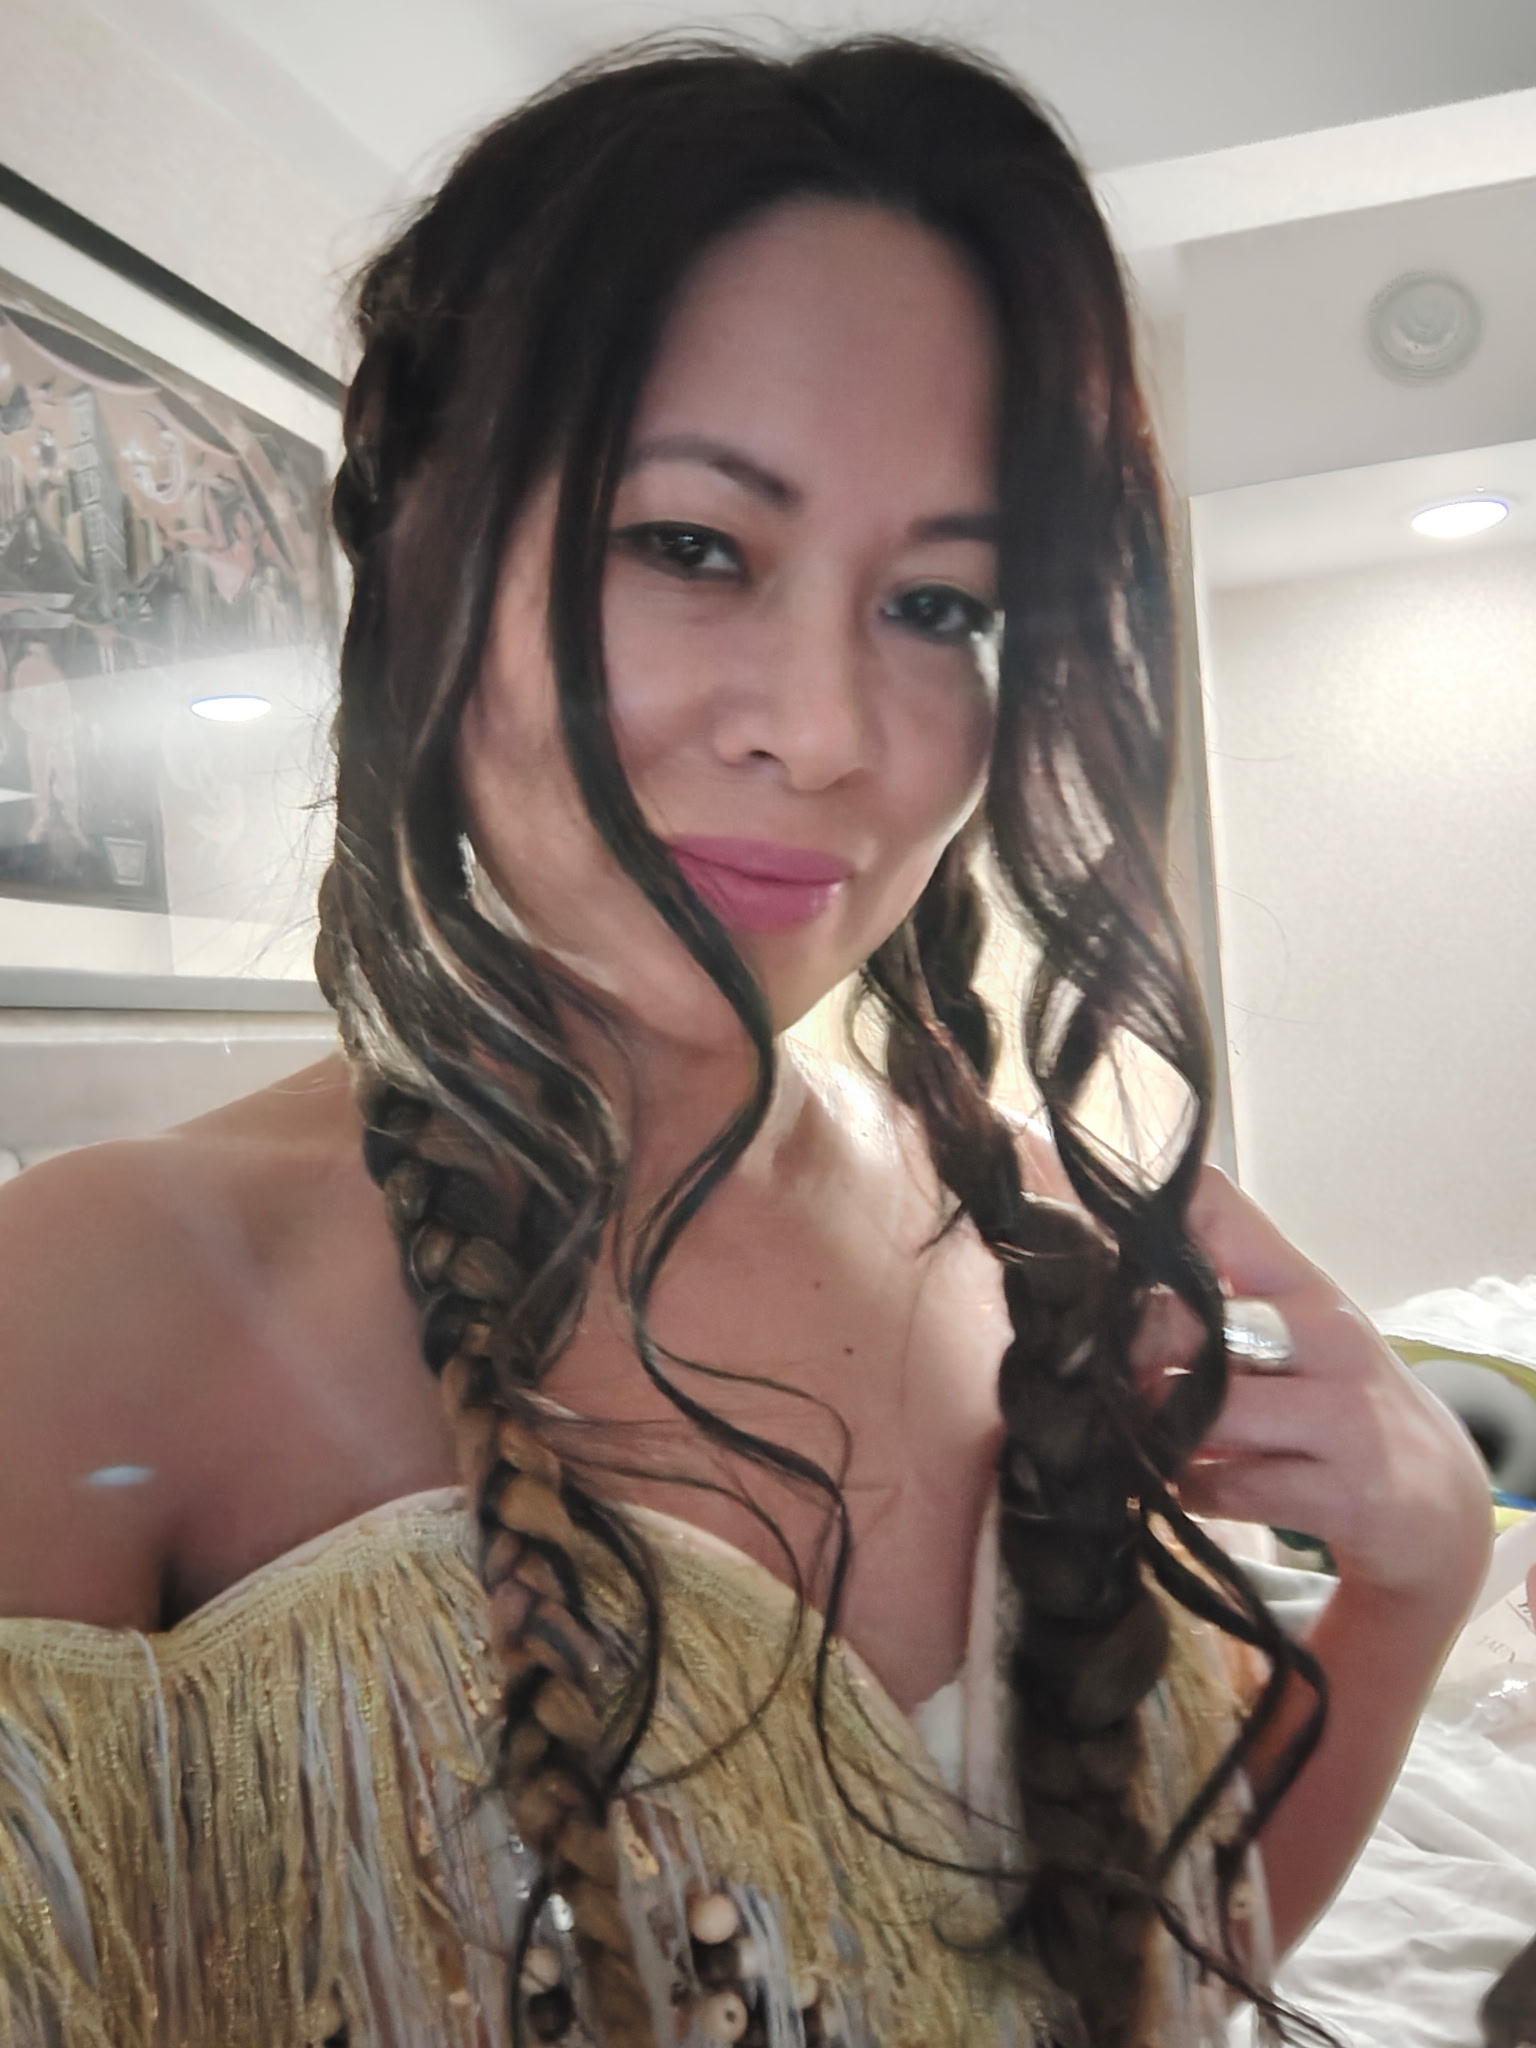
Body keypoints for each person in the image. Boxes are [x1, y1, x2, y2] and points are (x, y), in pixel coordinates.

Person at [0, 37, 1491, 2048]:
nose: (828, 732)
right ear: (421, 545)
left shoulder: (1030, 1248)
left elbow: (1137, 1972)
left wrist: (1413, 1588)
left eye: (942, 606)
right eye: (692, 546)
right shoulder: (100, 1299)